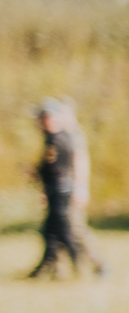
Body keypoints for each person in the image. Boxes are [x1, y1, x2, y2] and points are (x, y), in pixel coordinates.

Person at [24, 98, 105, 279]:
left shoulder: (68, 137)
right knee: (56, 230)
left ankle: (97, 265)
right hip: (61, 190)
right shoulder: (54, 137)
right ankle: (58, 271)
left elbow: (78, 163)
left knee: (73, 229)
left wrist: (81, 187)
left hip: (67, 190)